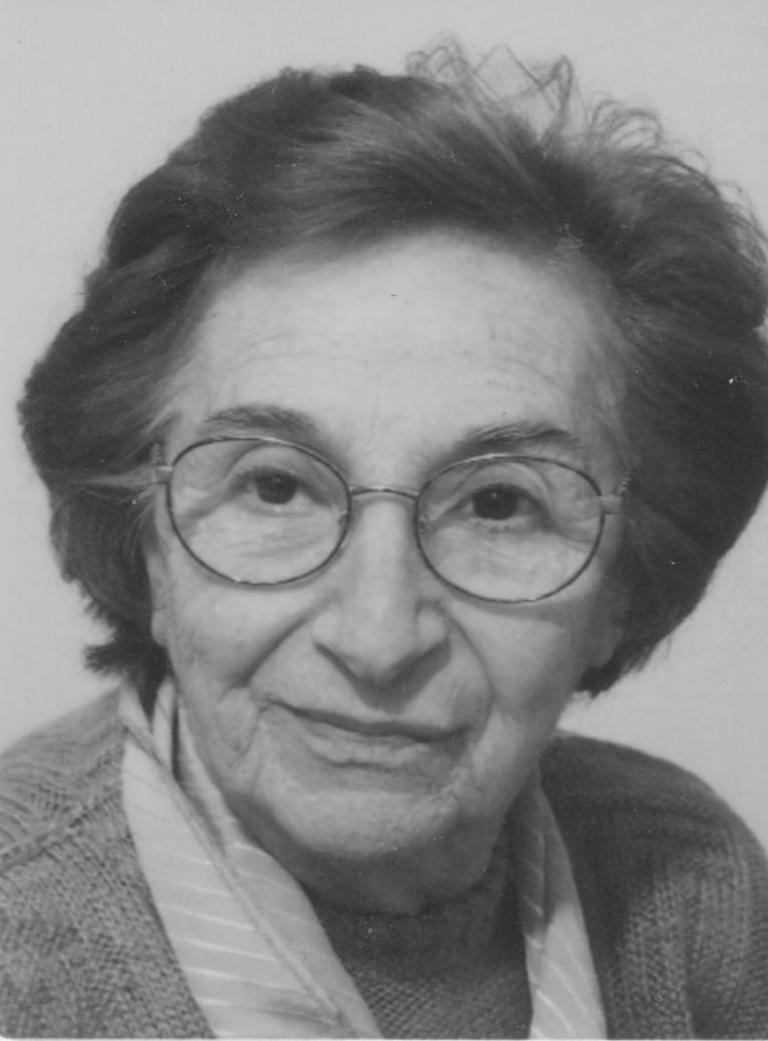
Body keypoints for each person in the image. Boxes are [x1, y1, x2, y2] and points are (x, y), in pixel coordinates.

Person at [2, 42, 767, 1039]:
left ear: (625, 583)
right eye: (275, 486)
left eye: (499, 504)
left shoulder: (692, 884)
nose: (377, 639)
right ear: (145, 542)